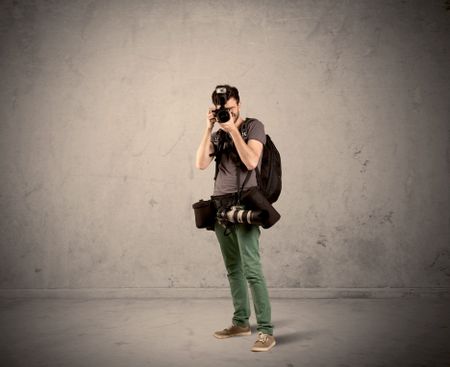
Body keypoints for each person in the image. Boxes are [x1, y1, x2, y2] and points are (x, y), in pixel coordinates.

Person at [195, 85, 276, 352]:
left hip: (244, 204)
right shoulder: (217, 134)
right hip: (220, 205)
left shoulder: (253, 126)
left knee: (252, 269)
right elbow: (201, 164)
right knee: (233, 269)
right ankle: (241, 322)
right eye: (222, 110)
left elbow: (252, 161)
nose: (227, 113)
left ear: (239, 103)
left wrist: (231, 129)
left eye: (230, 108)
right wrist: (209, 129)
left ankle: (266, 331)